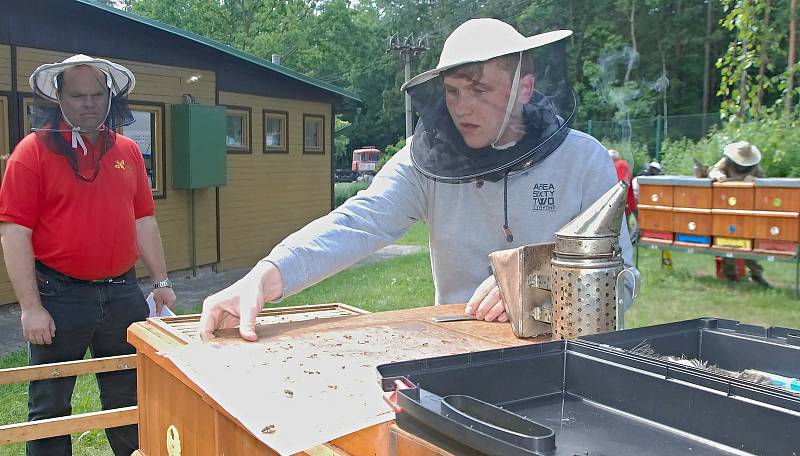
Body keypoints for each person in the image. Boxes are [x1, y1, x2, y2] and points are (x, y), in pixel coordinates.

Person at [198, 18, 635, 341]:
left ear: (524, 88)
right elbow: (359, 221)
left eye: (480, 90)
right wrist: (265, 276)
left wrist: (543, 290)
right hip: (459, 353)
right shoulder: (428, 159)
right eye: (452, 92)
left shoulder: (584, 160)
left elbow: (624, 280)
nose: (462, 108)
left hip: (565, 359)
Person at [0, 54, 176, 455]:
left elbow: (144, 219)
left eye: (97, 93)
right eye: (78, 95)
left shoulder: (128, 151)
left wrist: (161, 282)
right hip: (59, 297)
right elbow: (13, 233)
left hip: (123, 294)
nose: (89, 103)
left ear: (110, 96)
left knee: (131, 396)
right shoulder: (32, 152)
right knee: (50, 406)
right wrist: (30, 308)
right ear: (58, 97)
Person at [708, 141, 769, 287]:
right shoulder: (726, 162)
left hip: (747, 209)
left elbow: (766, 182)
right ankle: (730, 275)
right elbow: (713, 170)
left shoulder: (755, 168)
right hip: (726, 207)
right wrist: (718, 175)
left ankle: (756, 275)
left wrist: (756, 180)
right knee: (726, 241)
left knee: (748, 243)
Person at [609, 149, 635, 221]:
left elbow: (623, 183)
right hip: (618, 203)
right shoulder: (616, 165)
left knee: (622, 228)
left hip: (622, 203)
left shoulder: (621, 164)